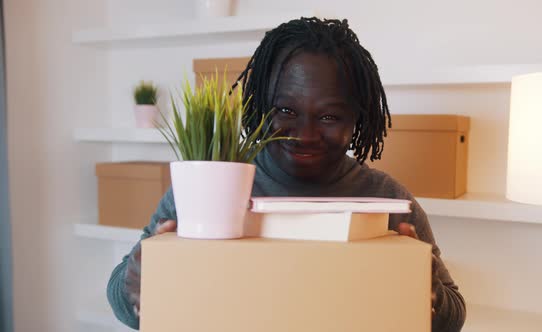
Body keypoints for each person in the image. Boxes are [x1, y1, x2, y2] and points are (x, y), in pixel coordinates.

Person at [107, 17, 466, 332]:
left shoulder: (388, 200)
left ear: (357, 118)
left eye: (328, 117)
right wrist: (137, 283)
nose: (304, 134)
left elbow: (452, 316)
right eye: (285, 110)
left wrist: (426, 287)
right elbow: (126, 306)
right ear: (259, 107)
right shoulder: (213, 186)